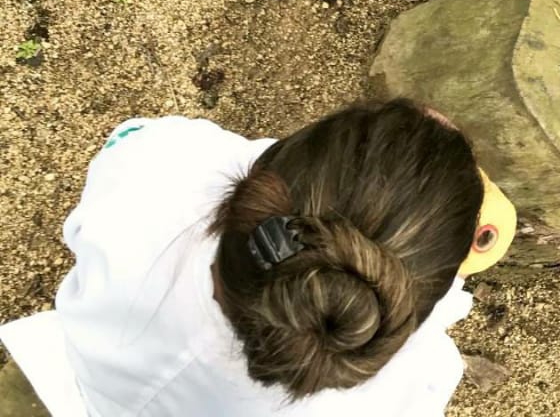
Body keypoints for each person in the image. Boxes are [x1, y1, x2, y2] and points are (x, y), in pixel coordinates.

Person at [30, 100, 515, 415]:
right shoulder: (419, 378)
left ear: (258, 184)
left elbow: (135, 138)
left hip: (86, 383)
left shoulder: (157, 171)